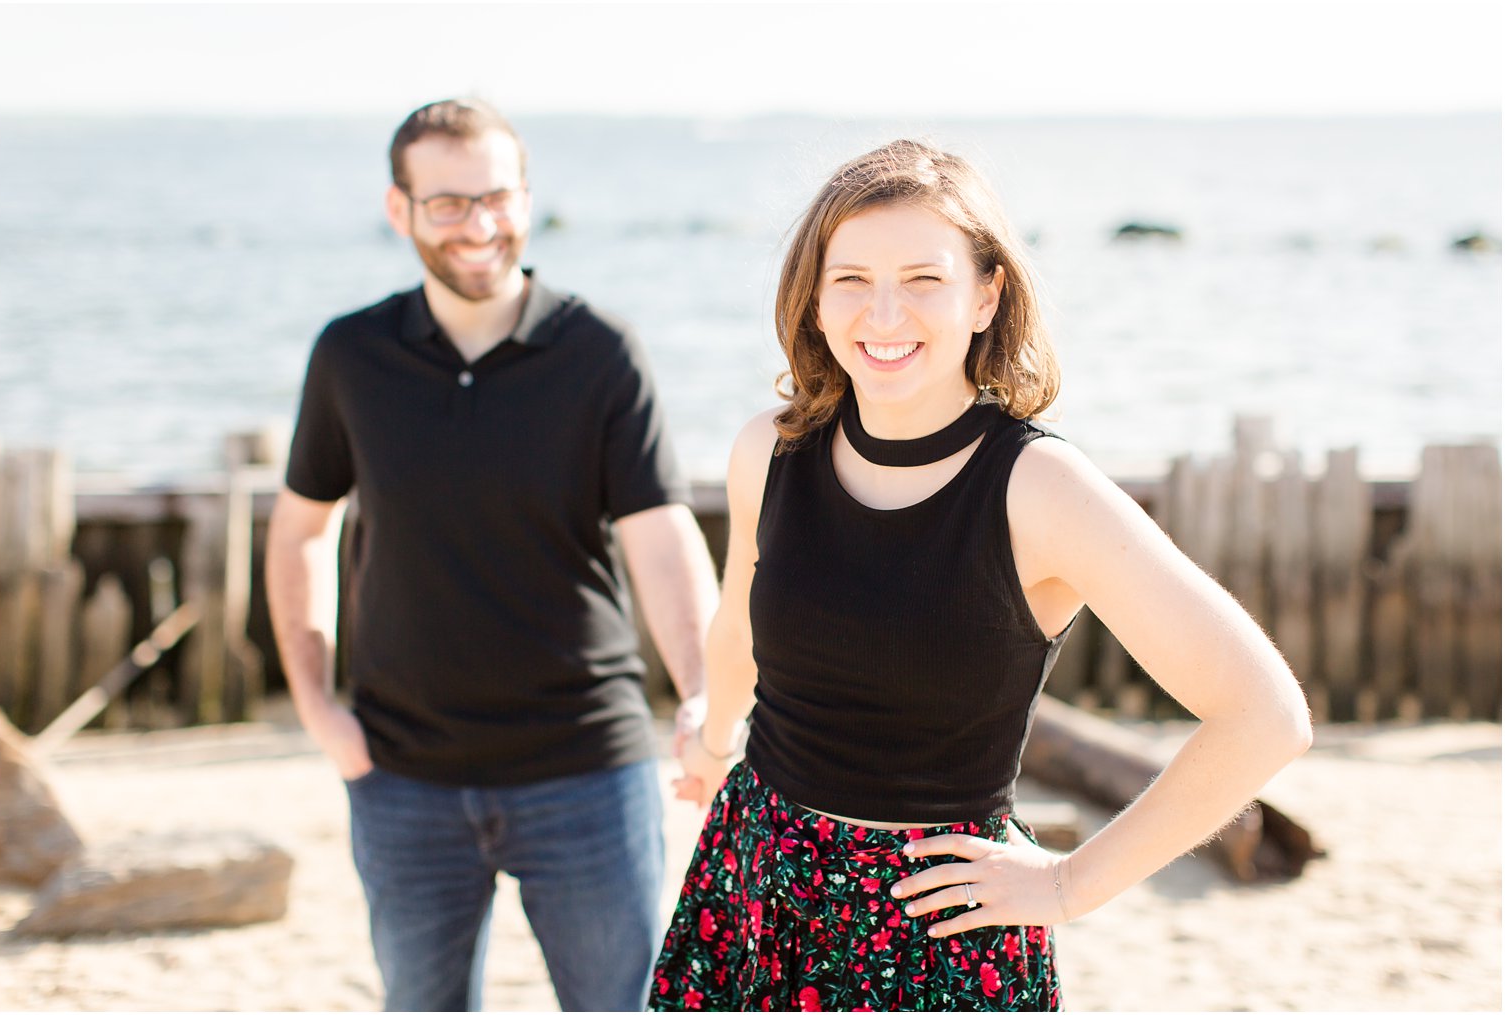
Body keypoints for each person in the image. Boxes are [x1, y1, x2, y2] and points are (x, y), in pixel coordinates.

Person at [649, 139, 1313, 1012]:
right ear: (813, 298)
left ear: (986, 294)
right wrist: (709, 741)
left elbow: (1266, 715)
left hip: (939, 935)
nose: (883, 314)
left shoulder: (1040, 487)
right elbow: (740, 625)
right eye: (850, 279)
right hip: (753, 887)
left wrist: (1071, 885)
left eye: (924, 278)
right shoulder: (770, 450)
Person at [265, 98, 719, 1013]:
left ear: (525, 197)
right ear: (400, 210)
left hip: (589, 768)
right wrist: (318, 710)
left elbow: (661, 537)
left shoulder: (600, 351)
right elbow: (300, 532)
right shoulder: (352, 355)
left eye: (497, 198)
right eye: (448, 204)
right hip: (402, 776)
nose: (479, 225)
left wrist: (704, 691)